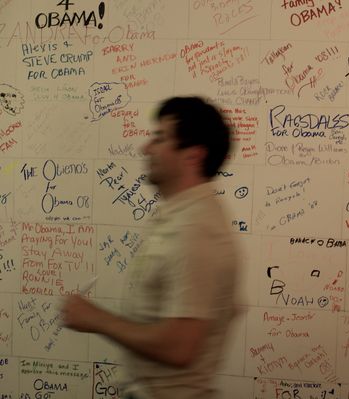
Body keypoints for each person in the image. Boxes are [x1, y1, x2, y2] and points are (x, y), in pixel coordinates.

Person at [62, 96, 240, 399]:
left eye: (159, 138)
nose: (146, 148)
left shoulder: (194, 230)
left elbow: (180, 346)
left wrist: (96, 319)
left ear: (192, 157)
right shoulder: (181, 216)